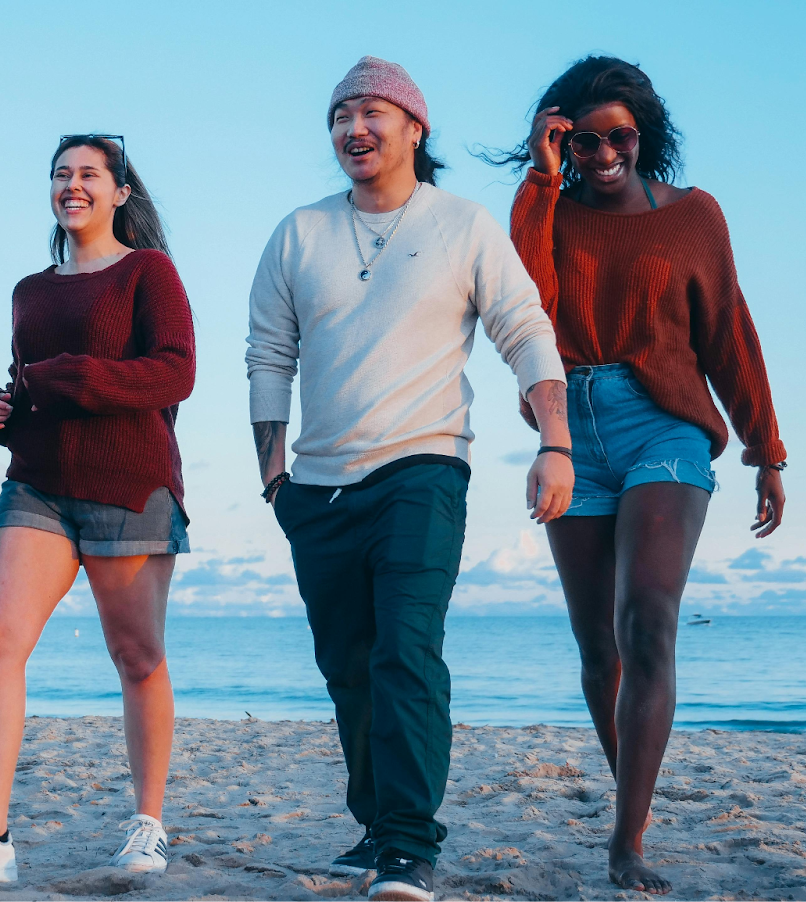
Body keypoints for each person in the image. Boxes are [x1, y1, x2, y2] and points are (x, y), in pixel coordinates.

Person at [247, 57, 571, 902]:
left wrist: (556, 442)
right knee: (346, 663)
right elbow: (268, 354)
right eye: (340, 114)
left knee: (406, 650)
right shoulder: (299, 232)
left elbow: (523, 328)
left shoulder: (462, 226)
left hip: (424, 467)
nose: (354, 127)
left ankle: (408, 844)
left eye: (372, 111)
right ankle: (375, 821)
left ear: (414, 127)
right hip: (315, 486)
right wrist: (273, 474)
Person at [493, 55, 787, 894]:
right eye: (581, 140)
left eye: (617, 135)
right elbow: (527, 312)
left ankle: (625, 844)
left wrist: (766, 447)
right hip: (568, 429)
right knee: (597, 649)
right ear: (561, 141)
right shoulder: (545, 210)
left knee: (646, 620)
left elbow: (729, 327)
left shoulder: (694, 215)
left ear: (643, 133)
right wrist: (542, 186)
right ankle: (638, 801)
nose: (601, 152)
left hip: (664, 423)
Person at [0, 134, 194, 885]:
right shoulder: (33, 290)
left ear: (120, 192)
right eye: (63, 174)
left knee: (136, 657)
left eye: (90, 175)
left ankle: (148, 826)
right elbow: (25, 386)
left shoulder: (147, 272)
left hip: (128, 482)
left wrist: (66, 375)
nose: (74, 185)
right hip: (37, 480)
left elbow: (174, 373)